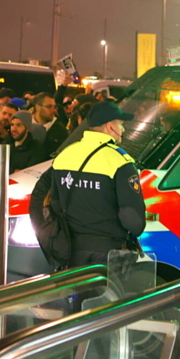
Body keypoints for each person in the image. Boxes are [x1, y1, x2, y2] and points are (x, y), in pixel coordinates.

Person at [49, 101, 146, 267]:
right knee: (108, 293)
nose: (122, 129)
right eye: (120, 124)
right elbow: (132, 219)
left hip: (72, 251)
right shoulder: (120, 161)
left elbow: (56, 204)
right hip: (108, 252)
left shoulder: (64, 156)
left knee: (77, 292)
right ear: (110, 126)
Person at [33, 92, 68, 158]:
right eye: (49, 107)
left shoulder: (60, 130)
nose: (53, 110)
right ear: (37, 107)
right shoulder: (25, 125)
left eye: (54, 107)